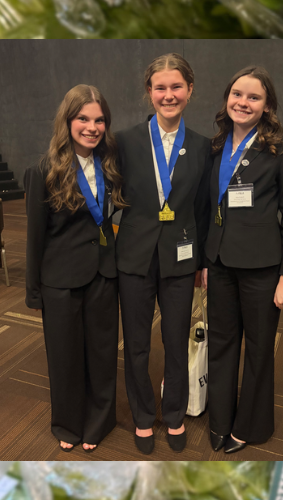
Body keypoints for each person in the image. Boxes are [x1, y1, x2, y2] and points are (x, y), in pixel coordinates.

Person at [205, 66, 283, 454]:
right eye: (236, 94)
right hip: (219, 262)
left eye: (253, 97)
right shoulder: (217, 145)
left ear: (267, 106)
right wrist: (203, 260)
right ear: (226, 99)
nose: (242, 102)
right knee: (221, 341)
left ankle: (250, 426)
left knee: (260, 348)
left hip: (263, 268)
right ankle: (220, 418)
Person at [114, 53, 211, 455]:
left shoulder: (204, 146)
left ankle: (172, 416)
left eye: (176, 87)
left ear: (190, 90)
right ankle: (141, 417)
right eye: (160, 88)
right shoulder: (124, 141)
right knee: (135, 343)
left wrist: (202, 260)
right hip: (134, 256)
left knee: (175, 340)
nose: (168, 95)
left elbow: (204, 208)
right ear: (148, 92)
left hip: (180, 258)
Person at [24, 84, 126, 453]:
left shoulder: (110, 164)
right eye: (83, 118)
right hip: (60, 280)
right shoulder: (43, 170)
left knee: (101, 352)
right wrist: (33, 290)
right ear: (67, 121)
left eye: (99, 120)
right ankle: (67, 423)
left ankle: (99, 422)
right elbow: (34, 237)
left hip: (103, 273)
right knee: (65, 356)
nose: (92, 127)